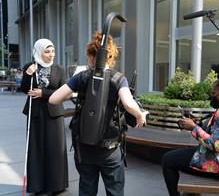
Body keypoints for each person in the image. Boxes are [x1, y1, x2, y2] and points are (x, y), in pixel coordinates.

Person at [49, 31, 148, 196]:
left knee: (87, 190)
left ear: (90, 56)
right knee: (115, 191)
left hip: (84, 147)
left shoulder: (81, 77)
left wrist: (76, 92)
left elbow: (53, 99)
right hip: (110, 149)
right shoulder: (118, 78)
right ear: (111, 56)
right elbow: (128, 103)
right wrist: (140, 115)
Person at [161, 78, 219, 196]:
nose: (211, 96)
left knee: (168, 160)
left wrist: (193, 128)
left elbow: (216, 145)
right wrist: (198, 123)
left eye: (213, 93)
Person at [20, 38, 68, 194]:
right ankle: (37, 186)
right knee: (36, 150)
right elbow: (24, 89)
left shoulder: (59, 69)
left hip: (54, 114)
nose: (51, 54)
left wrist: (44, 93)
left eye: (52, 51)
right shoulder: (30, 66)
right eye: (47, 51)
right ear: (39, 51)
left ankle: (56, 186)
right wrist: (28, 75)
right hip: (35, 114)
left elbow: (64, 92)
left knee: (55, 150)